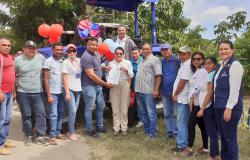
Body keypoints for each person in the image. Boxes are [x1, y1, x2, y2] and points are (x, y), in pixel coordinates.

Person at [213, 40, 244, 160]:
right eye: (221, 49)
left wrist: (229, 108)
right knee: (224, 138)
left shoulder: (235, 65)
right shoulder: (221, 65)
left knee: (230, 138)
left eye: (226, 49)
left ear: (232, 50)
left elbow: (235, 89)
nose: (223, 51)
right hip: (219, 106)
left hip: (230, 107)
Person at [15, 40, 48, 146]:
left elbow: (47, 73)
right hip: (23, 92)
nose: (31, 50)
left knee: (41, 114)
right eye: (29, 48)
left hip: (38, 92)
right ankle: (28, 135)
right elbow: (12, 75)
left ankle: (41, 136)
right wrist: (13, 92)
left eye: (33, 48)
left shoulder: (41, 58)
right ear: (24, 48)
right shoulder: (17, 60)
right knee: (27, 115)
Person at [81, 37, 113, 137]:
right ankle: (90, 130)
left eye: (95, 44)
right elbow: (91, 75)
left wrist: (104, 67)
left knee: (100, 106)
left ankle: (99, 127)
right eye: (92, 44)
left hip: (98, 86)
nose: (94, 46)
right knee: (90, 108)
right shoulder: (86, 56)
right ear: (87, 44)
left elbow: (96, 66)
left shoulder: (96, 53)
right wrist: (105, 84)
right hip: (89, 86)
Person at [182, 51, 209, 157]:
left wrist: (192, 99)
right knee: (202, 126)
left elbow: (197, 87)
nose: (196, 61)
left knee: (190, 125)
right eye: (194, 59)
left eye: (199, 59)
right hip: (198, 102)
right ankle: (206, 148)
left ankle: (189, 148)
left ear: (202, 60)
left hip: (198, 104)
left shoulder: (202, 71)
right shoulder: (197, 71)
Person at [135, 43, 162, 139]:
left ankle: (153, 134)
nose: (145, 50)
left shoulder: (155, 59)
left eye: (147, 49)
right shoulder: (142, 61)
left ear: (151, 49)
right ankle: (147, 131)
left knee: (151, 113)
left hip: (149, 91)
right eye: (143, 49)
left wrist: (156, 90)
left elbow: (158, 75)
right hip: (139, 91)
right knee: (143, 113)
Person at [196, 56, 220, 160]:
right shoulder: (210, 74)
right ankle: (217, 154)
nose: (207, 65)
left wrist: (202, 108)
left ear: (215, 64)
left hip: (208, 108)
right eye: (205, 63)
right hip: (208, 107)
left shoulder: (211, 75)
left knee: (211, 133)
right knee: (213, 132)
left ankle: (212, 156)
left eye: (210, 63)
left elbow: (209, 94)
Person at [43, 42, 67, 145]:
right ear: (53, 50)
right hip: (52, 92)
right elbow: (46, 79)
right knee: (53, 114)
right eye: (57, 50)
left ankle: (58, 132)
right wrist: (48, 95)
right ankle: (52, 136)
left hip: (62, 92)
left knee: (61, 113)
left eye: (61, 50)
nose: (59, 51)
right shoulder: (48, 61)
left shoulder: (64, 61)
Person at [109, 47, 134, 136]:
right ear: (114, 54)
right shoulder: (111, 63)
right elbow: (108, 76)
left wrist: (126, 70)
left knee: (124, 107)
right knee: (115, 107)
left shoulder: (127, 62)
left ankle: (124, 128)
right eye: (117, 53)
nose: (119, 55)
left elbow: (131, 75)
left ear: (123, 54)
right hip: (114, 85)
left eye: (120, 53)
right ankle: (116, 128)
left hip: (124, 83)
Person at [172, 46, 193, 152]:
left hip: (183, 98)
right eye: (180, 54)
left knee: (181, 122)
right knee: (183, 122)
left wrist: (175, 94)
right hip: (182, 98)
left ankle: (182, 145)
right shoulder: (183, 64)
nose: (181, 56)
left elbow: (183, 82)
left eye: (184, 54)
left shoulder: (188, 65)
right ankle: (183, 142)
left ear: (189, 54)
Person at [62, 44, 81, 141]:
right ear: (67, 53)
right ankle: (70, 132)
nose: (72, 53)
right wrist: (67, 92)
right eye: (69, 51)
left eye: (73, 51)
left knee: (73, 112)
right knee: (72, 111)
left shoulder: (79, 60)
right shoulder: (65, 62)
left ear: (76, 52)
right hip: (70, 89)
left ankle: (71, 131)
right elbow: (64, 77)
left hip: (78, 89)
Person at [160, 44, 180, 138]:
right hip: (164, 91)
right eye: (163, 50)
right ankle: (169, 132)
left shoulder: (177, 61)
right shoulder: (161, 62)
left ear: (171, 50)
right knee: (167, 113)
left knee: (176, 113)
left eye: (166, 49)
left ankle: (176, 132)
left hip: (175, 92)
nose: (165, 51)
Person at [0, 38, 15, 155]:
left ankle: (4, 139)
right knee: (1, 119)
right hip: (2, 93)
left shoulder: (9, 57)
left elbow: (11, 74)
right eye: (4, 45)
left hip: (9, 92)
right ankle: (0, 145)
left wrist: (13, 90)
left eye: (8, 45)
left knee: (8, 118)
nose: (6, 47)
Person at [130, 46, 143, 127]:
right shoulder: (130, 63)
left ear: (140, 53)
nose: (134, 55)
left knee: (146, 104)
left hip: (144, 87)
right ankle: (141, 120)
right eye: (133, 53)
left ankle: (149, 120)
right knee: (138, 104)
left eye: (136, 53)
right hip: (135, 87)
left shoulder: (144, 62)